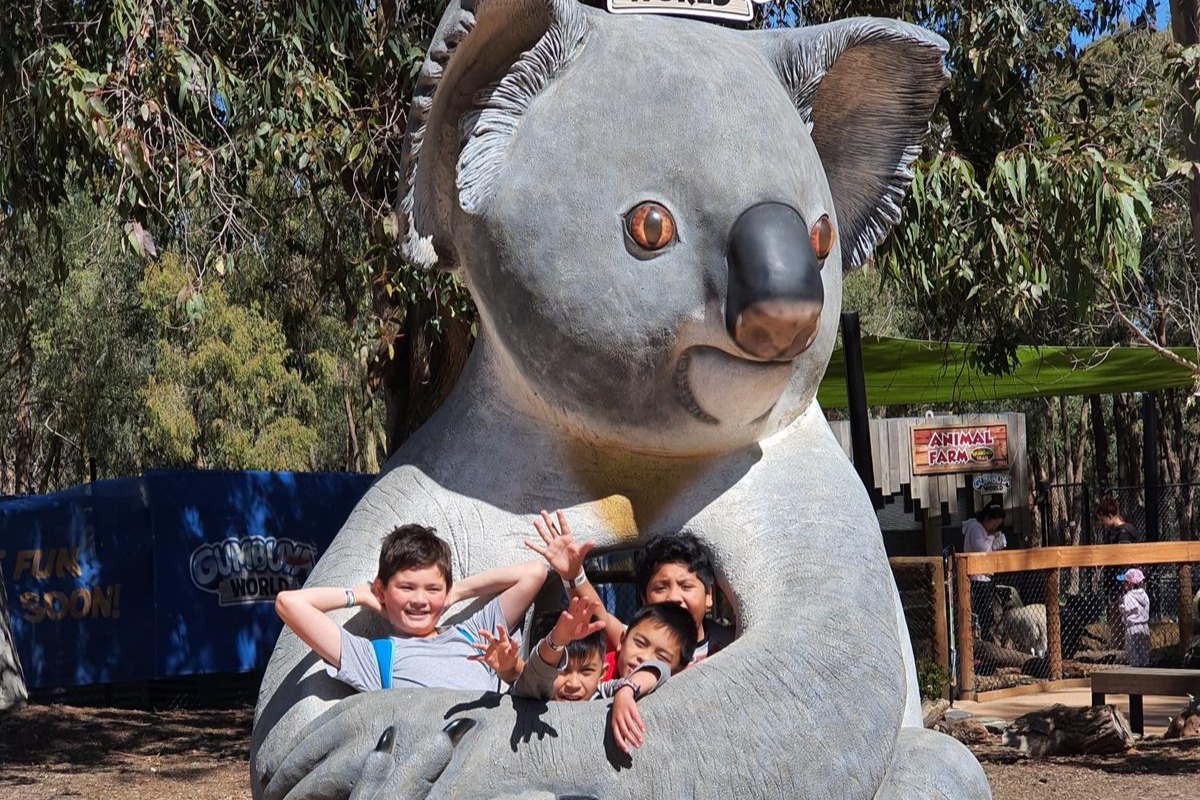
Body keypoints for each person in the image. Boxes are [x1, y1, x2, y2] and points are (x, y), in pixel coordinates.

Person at [274, 523, 547, 693]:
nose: (419, 600)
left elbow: (533, 573)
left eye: (432, 589)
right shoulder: (374, 658)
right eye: (406, 588)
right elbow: (290, 604)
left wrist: (455, 592)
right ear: (382, 590)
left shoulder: (475, 634)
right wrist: (359, 595)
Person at [524, 510, 733, 669]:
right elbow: (599, 615)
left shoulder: (730, 643)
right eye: (660, 587)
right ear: (644, 598)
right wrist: (573, 575)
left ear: (709, 596)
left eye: (686, 586)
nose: (674, 597)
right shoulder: (636, 643)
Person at [502, 598, 697, 753]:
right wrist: (557, 641)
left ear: (601, 674)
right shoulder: (539, 692)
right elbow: (540, 671)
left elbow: (658, 670)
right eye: (563, 670)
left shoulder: (603, 692)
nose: (573, 683)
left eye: (586, 671)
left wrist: (626, 689)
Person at [962, 502, 1006, 642]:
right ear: (987, 518)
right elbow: (982, 549)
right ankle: (982, 643)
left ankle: (986, 641)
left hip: (984, 576)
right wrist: (993, 537)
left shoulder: (982, 530)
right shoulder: (976, 528)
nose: (993, 529)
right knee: (983, 613)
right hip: (977, 578)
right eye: (993, 525)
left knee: (988, 613)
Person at [1118, 569, 1151, 667]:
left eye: (1124, 582)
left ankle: (1135, 671)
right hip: (1144, 627)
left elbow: (1125, 610)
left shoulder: (1128, 596)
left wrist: (1120, 604)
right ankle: (1145, 669)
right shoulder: (1144, 595)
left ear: (1129, 584)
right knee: (1144, 652)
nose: (1123, 585)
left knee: (1132, 652)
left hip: (1132, 627)